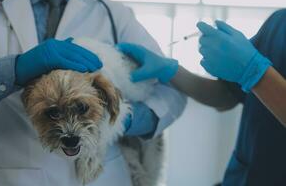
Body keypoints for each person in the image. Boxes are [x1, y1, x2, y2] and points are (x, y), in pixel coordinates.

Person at [0, 0, 186, 185]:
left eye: (82, 108)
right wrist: (12, 70)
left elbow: (173, 91)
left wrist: (122, 120)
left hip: (101, 176)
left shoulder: (113, 13)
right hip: (11, 175)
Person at [117, 9, 286, 185]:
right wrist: (171, 70)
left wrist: (255, 72)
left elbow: (253, 77)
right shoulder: (279, 23)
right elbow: (226, 96)